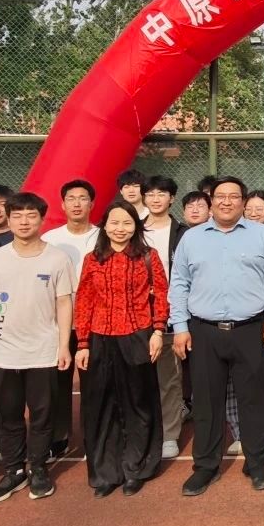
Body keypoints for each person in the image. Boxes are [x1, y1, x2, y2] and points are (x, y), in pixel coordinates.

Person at [169, 176, 264, 495]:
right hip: (203, 331)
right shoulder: (192, 238)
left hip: (251, 328)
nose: (226, 201)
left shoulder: (262, 235)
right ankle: (205, 467)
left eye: (234, 196)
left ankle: (257, 463)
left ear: (243, 202)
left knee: (253, 399)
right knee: (206, 402)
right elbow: (178, 283)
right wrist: (180, 327)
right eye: (220, 196)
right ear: (211, 201)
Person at [0, 192, 75, 502]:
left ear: (42, 219)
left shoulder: (57, 258)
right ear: (9, 219)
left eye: (31, 215)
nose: (24, 221)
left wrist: (63, 346)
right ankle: (14, 470)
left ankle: (38, 469)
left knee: (42, 414)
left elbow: (64, 303)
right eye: (17, 216)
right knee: (8, 415)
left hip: (43, 350)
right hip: (1, 352)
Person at [72, 200, 169, 497]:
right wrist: (83, 343)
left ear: (136, 227)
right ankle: (106, 473)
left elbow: (161, 294)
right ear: (104, 226)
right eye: (114, 223)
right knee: (101, 406)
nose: (120, 229)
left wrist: (158, 331)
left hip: (137, 334)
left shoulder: (148, 257)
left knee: (138, 403)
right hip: (99, 338)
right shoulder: (92, 259)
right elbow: (84, 300)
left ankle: (136, 468)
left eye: (127, 223)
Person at [40, 179, 100, 462]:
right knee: (56, 383)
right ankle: (58, 438)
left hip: (95, 322)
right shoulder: (51, 239)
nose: (77, 204)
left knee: (95, 384)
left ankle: (94, 438)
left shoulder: (103, 237)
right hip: (57, 323)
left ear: (92, 204)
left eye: (83, 198)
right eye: (71, 199)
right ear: (62, 205)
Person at [142, 176, 188, 460]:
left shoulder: (183, 233)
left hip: (172, 311)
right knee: (138, 376)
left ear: (172, 198)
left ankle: (170, 433)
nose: (156, 198)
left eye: (162, 194)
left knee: (168, 376)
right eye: (150, 194)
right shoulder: (132, 229)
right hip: (136, 314)